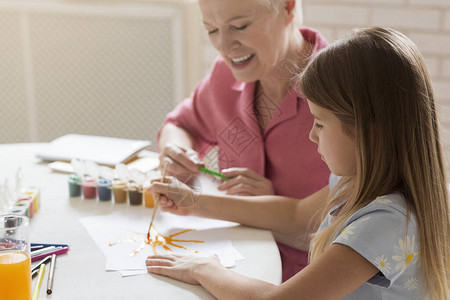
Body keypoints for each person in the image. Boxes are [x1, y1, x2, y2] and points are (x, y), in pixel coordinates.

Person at [146, 27, 450, 299]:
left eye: (319, 123)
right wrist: (194, 202)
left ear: (366, 132)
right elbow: (295, 214)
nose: (311, 136)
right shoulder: (355, 181)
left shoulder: (386, 222)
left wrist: (204, 268)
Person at [157, 0, 330, 280]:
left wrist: (266, 206)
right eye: (211, 30)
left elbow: (345, 227)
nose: (224, 46)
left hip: (311, 281)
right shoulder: (224, 76)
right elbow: (180, 124)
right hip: (235, 263)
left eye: (239, 26)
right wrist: (174, 151)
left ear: (287, 7)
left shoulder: (340, 92)